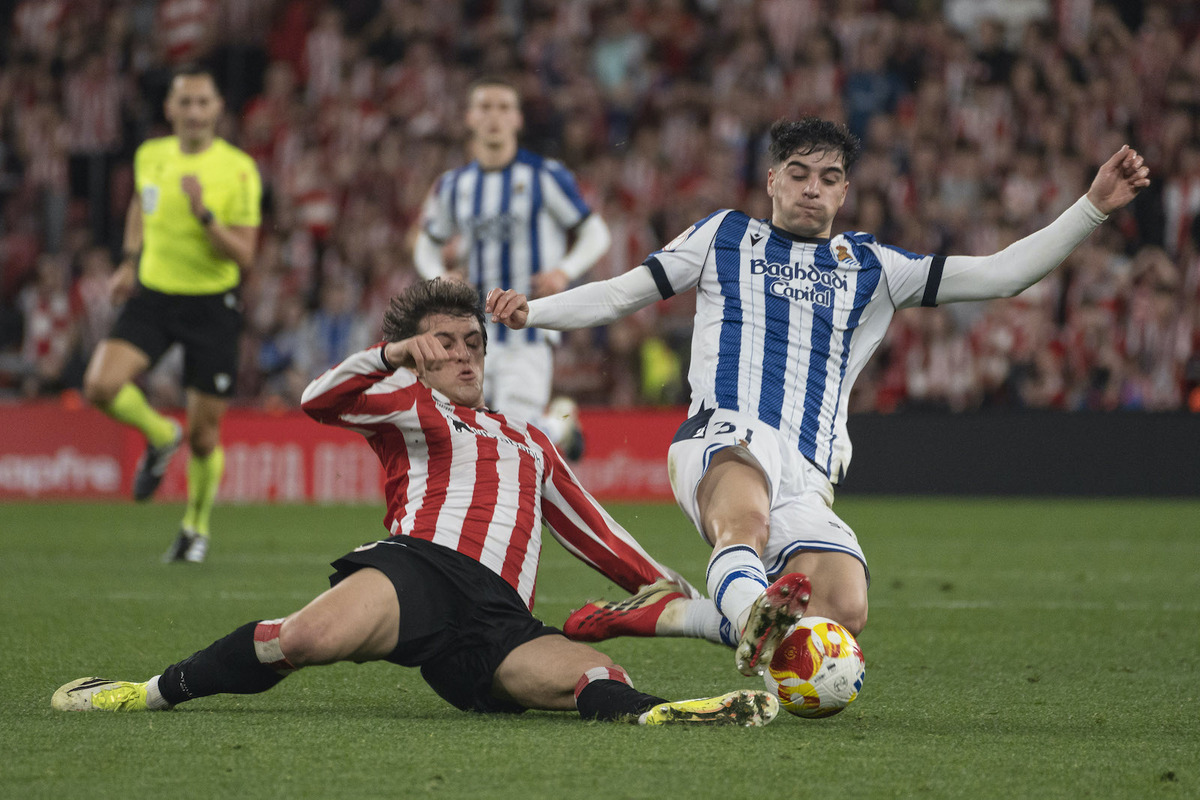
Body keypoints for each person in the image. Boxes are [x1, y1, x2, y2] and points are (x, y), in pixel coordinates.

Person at [486, 118, 1151, 677]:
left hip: (806, 472)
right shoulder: (723, 236)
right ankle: (749, 616)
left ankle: (680, 613)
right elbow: (621, 292)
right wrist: (532, 312)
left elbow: (1003, 276)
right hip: (724, 433)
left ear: (845, 192)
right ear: (772, 180)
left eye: (829, 178)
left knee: (843, 608)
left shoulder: (874, 268)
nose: (813, 189)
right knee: (742, 522)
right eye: (800, 173)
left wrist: (1091, 206)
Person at [51, 280, 779, 728]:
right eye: (446, 344)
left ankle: (674, 714)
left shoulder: (530, 440)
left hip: (499, 621)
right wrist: (391, 354)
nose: (463, 355)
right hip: (419, 573)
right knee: (300, 642)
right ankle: (143, 694)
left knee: (593, 679)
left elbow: (600, 536)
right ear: (419, 350)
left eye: (473, 343)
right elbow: (316, 401)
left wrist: (688, 602)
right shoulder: (405, 404)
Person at [81, 66, 262, 563]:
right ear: (170, 109)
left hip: (212, 304)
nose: (194, 111)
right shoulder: (150, 155)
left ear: (218, 108)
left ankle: (194, 529)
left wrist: (205, 215)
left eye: (203, 102)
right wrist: (128, 261)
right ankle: (162, 436)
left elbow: (245, 256)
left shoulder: (239, 169)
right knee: (99, 385)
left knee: (206, 436)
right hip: (155, 297)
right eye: (185, 102)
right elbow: (142, 203)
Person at [413, 77, 612, 459]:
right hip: (471, 328)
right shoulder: (454, 186)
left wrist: (564, 271)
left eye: (503, 108)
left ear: (518, 120)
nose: (494, 117)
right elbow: (426, 242)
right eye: (485, 108)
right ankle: (558, 427)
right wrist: (436, 274)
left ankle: (551, 431)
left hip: (529, 323)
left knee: (514, 433)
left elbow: (596, 233)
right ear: (470, 118)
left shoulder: (544, 176)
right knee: (479, 428)